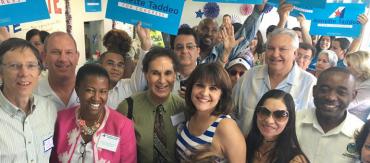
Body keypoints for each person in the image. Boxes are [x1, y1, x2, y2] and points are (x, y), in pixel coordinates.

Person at [233, 28, 316, 135]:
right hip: (245, 149)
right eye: (271, 48)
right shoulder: (249, 76)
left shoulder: (309, 84)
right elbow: (232, 112)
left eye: (282, 49)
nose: (275, 54)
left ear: (295, 53)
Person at [50, 64, 136, 162]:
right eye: (90, 90)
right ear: (77, 90)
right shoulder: (61, 120)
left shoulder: (123, 126)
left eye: (103, 91)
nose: (96, 98)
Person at [117, 47, 187, 163]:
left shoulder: (184, 108)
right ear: (146, 75)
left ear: (175, 75)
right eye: (155, 73)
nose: (162, 80)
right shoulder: (128, 107)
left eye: (168, 73)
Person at [0, 38, 57, 162]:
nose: (24, 73)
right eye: (14, 66)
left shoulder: (49, 109)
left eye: (31, 65)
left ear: (38, 71)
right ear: (1, 72)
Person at [176, 63, 246, 162]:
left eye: (213, 88)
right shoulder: (191, 114)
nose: (204, 93)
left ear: (221, 94)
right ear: (191, 88)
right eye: (200, 85)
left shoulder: (226, 127)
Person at [296, 67, 364, 163]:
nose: (331, 97)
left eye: (341, 92)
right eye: (324, 90)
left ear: (353, 96)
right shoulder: (294, 121)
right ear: (314, 91)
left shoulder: (361, 132)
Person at [247, 89, 309, 163]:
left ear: (289, 120)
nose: (269, 121)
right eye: (264, 111)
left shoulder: (295, 160)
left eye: (280, 115)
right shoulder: (245, 142)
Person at [99, 22, 151, 109]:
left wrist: (145, 47)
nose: (115, 68)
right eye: (110, 63)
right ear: (100, 66)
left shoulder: (128, 86)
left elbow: (141, 74)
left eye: (120, 65)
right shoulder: (91, 87)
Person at [198, 2, 267, 64]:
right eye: (204, 29)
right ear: (196, 31)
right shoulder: (189, 49)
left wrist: (258, 11)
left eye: (213, 31)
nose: (209, 33)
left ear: (218, 34)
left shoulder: (223, 49)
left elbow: (244, 34)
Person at [33, 31, 80, 110]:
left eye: (69, 52)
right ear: (44, 57)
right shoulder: (32, 95)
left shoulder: (93, 92)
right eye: (55, 52)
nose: (63, 59)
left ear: (77, 57)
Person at [345, 51, 370, 121]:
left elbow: (348, 104)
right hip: (341, 116)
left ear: (359, 66)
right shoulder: (354, 77)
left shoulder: (368, 86)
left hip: (352, 123)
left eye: (349, 65)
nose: (346, 68)